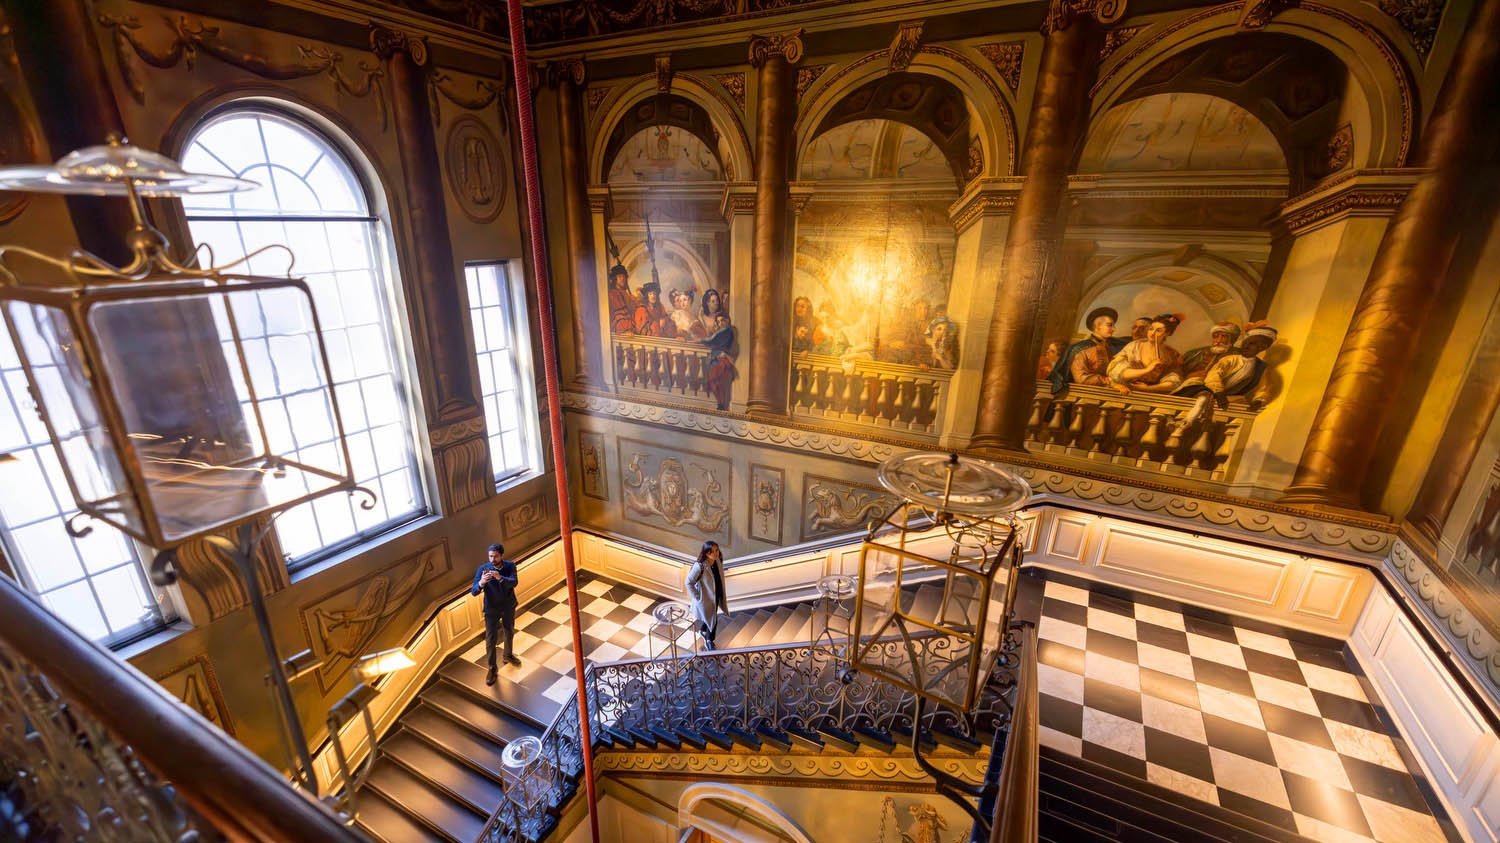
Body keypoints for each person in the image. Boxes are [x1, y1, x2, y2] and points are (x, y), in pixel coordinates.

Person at [471, 542, 520, 685]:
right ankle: (492, 667)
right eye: (490, 556)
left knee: (509, 630)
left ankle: (508, 655)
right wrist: (481, 583)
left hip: (508, 606)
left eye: (496, 556)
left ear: (501, 556)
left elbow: (514, 582)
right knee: (490, 638)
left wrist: (500, 578)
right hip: (491, 609)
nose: (492, 559)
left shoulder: (510, 566)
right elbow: (474, 591)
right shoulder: (483, 569)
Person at [1050, 306, 1126, 394]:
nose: (1114, 329)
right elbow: (1081, 378)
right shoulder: (1080, 349)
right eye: (1110, 325)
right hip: (1082, 397)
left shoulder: (1110, 348)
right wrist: (1111, 383)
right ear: (1097, 326)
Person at [1108, 314, 1185, 394]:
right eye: (1151, 329)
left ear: (1167, 333)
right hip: (1127, 390)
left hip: (1151, 393)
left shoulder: (1171, 354)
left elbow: (1175, 381)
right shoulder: (1134, 346)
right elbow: (1115, 370)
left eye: (1159, 331)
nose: (1152, 333)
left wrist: (1148, 388)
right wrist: (1147, 370)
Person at [687, 540, 729, 649]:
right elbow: (688, 582)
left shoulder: (717, 560)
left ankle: (703, 629)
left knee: (712, 616)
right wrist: (697, 597)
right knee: (713, 619)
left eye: (716, 550)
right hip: (706, 599)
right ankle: (709, 640)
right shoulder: (699, 566)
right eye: (712, 552)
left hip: (717, 595)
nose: (715, 553)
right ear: (706, 553)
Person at [1178, 321, 1242, 392]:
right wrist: (1188, 376)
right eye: (1215, 336)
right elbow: (1177, 372)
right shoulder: (1195, 353)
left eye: (1224, 336)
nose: (1218, 341)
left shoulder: (1240, 356)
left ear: (1233, 339)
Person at [702, 313, 738, 410]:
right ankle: (720, 403)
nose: (720, 323)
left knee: (718, 381)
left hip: (722, 360)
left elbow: (712, 341)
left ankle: (721, 404)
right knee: (714, 381)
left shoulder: (727, 331)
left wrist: (700, 340)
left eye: (722, 320)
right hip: (715, 359)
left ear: (727, 321)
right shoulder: (720, 332)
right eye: (718, 321)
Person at [606, 264, 637, 334]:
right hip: (621, 329)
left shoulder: (626, 294)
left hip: (632, 329)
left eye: (624, 276)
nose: (622, 278)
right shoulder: (613, 294)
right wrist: (626, 329)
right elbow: (619, 314)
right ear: (615, 279)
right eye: (619, 276)